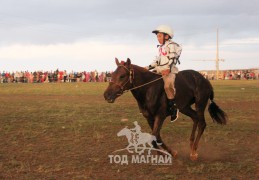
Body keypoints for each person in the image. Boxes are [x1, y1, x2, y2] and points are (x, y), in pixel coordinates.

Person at [145, 25, 182, 122]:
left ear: (166, 36)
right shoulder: (161, 47)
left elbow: (173, 58)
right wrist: (147, 68)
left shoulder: (171, 45)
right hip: (160, 69)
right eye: (157, 36)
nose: (158, 38)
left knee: (167, 86)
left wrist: (168, 69)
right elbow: (157, 61)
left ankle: (174, 109)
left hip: (169, 70)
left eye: (159, 36)